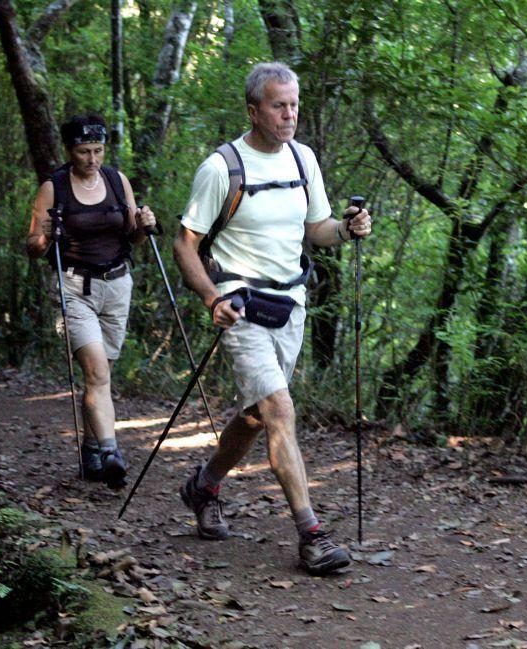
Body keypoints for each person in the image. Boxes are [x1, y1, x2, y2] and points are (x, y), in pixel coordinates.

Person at [172, 62, 372, 575]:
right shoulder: (223, 167)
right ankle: (312, 535)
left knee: (259, 415)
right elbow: (185, 242)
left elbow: (318, 229)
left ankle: (205, 485)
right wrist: (212, 298)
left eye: (295, 105)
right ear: (253, 110)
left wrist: (348, 231)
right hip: (241, 306)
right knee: (281, 409)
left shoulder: (304, 160)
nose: (290, 115)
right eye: (279, 105)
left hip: (292, 305)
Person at [25, 114, 157, 489]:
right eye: (84, 151)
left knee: (100, 376)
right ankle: (112, 452)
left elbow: (134, 237)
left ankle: (90, 450)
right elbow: (32, 246)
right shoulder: (54, 187)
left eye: (98, 150)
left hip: (117, 285)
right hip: (74, 288)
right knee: (97, 372)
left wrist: (144, 224)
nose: (92, 159)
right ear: (70, 150)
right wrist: (45, 237)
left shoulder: (117, 181)